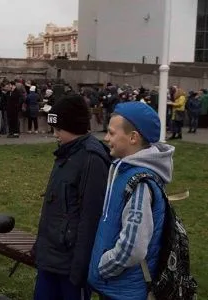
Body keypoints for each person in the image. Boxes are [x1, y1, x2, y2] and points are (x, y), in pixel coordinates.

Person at [88, 102, 175, 300]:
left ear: (133, 137)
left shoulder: (139, 183)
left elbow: (132, 248)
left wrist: (104, 267)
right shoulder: (122, 169)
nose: (106, 138)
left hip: (124, 289)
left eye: (111, 133)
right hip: (115, 286)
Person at [33, 95, 111, 300]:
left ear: (74, 127)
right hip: (51, 257)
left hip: (70, 266)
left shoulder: (92, 159)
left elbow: (90, 218)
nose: (55, 134)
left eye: (59, 129)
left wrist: (79, 271)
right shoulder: (66, 154)